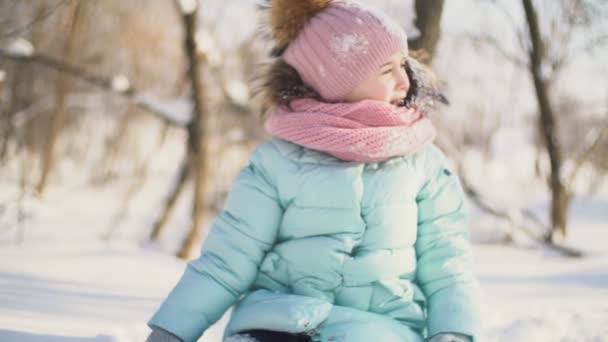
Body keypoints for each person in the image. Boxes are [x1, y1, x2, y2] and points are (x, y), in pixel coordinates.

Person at [146, 1, 481, 341]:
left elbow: (447, 266)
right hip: (276, 324)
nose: (404, 81)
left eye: (403, 65)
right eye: (385, 70)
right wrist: (171, 331)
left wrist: (453, 333)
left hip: (378, 330)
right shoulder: (278, 162)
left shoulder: (422, 164)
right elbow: (227, 260)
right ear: (336, 83)